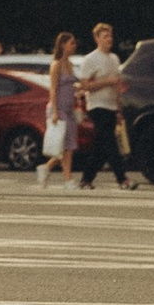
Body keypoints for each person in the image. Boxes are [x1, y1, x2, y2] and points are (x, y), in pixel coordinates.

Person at [74, 22, 133, 187]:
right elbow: (84, 85)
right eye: (105, 36)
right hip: (97, 106)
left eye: (110, 36)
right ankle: (122, 179)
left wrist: (119, 109)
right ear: (97, 38)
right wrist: (107, 81)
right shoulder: (90, 59)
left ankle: (86, 179)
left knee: (101, 146)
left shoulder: (114, 59)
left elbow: (116, 87)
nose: (109, 39)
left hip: (111, 106)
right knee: (110, 142)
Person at [40, 28, 80, 184]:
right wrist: (55, 112)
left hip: (69, 109)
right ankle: (67, 178)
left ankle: (46, 168)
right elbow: (53, 89)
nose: (74, 45)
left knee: (67, 144)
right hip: (59, 109)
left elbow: (72, 84)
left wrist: (79, 91)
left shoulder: (69, 64)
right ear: (63, 45)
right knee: (66, 146)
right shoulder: (56, 65)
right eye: (71, 43)